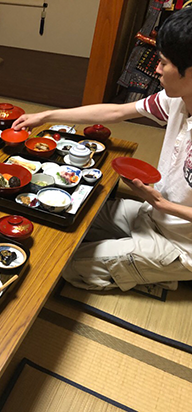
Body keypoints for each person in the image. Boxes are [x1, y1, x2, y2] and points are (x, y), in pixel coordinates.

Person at [12, 7, 192, 291]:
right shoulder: (177, 99)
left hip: (182, 244)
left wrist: (162, 204)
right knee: (71, 215)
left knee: (63, 267)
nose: (156, 69)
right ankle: (138, 262)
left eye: (163, 62)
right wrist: (46, 116)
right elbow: (115, 113)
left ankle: (162, 275)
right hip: (153, 214)